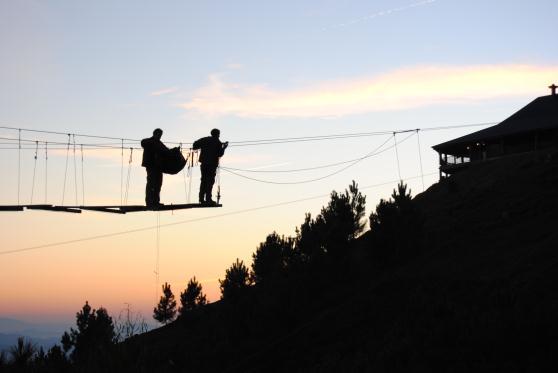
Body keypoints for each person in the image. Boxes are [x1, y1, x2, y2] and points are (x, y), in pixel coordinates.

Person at [193, 129, 228, 204]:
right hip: (212, 165)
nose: (219, 136)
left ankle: (201, 199)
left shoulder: (205, 139)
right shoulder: (217, 142)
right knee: (210, 181)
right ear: (217, 134)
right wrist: (224, 147)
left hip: (204, 164)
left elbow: (195, 145)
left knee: (203, 181)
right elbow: (220, 154)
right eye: (219, 134)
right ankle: (208, 199)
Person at [141, 128, 169, 209]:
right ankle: (149, 202)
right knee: (151, 184)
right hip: (151, 166)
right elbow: (143, 143)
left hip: (158, 167)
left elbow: (166, 151)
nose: (160, 136)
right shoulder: (148, 141)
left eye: (161, 135)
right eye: (159, 134)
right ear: (154, 134)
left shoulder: (159, 143)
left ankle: (156, 202)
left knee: (158, 184)